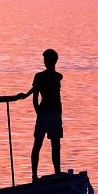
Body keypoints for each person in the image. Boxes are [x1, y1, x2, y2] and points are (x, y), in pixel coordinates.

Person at [23, 48, 63, 180]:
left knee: (55, 145)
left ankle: (57, 172)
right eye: (44, 59)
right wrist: (38, 112)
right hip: (46, 113)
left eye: (46, 59)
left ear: (53, 61)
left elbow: (35, 90)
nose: (45, 62)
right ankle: (35, 175)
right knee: (39, 143)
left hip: (54, 113)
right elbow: (35, 94)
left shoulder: (56, 77)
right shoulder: (44, 76)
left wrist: (38, 111)